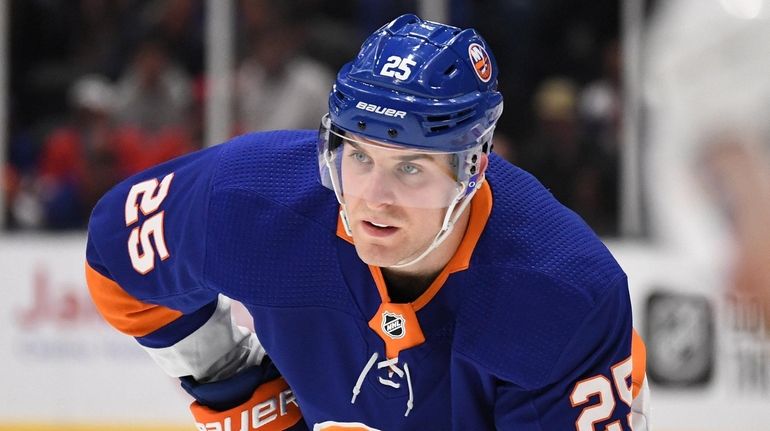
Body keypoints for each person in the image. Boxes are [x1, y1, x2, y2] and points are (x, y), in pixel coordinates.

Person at [85, 15, 649, 430]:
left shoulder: (561, 294)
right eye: (358, 157)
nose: (373, 199)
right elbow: (116, 256)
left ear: (472, 167)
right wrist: (234, 387)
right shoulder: (249, 198)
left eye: (410, 167)